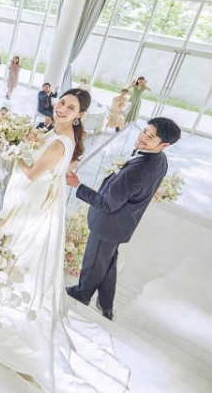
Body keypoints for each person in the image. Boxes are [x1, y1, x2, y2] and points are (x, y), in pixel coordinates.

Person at [0, 88, 130, 393]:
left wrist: (10, 147)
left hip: (32, 210)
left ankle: (3, 310)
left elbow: (31, 173)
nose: (62, 108)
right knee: (15, 257)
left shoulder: (59, 142)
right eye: (61, 102)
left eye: (70, 107)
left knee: (17, 257)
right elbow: (62, 170)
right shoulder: (61, 134)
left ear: (79, 115)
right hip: (37, 205)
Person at [66, 117, 181, 320]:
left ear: (164, 145)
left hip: (108, 225)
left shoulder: (137, 171)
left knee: (94, 262)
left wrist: (78, 186)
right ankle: (106, 304)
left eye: (150, 137)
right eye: (145, 131)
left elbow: (107, 204)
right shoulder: (160, 160)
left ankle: (82, 294)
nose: (143, 136)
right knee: (107, 263)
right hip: (123, 224)